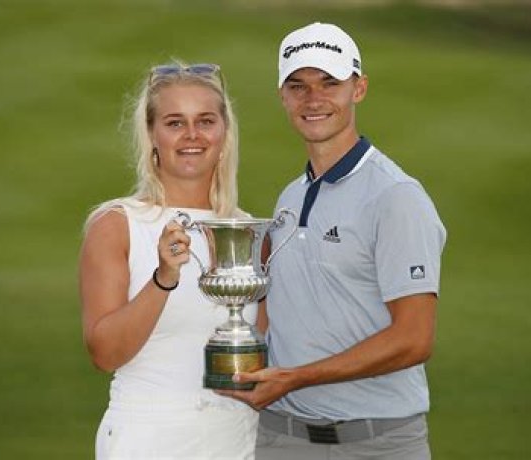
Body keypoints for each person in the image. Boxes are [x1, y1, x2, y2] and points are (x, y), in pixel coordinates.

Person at [219, 23, 447, 459]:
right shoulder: (290, 197)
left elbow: (415, 338)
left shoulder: (396, 196)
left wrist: (297, 377)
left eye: (329, 83)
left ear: (358, 89)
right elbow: (276, 309)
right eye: (298, 86)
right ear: (282, 97)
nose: (313, 99)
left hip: (377, 443)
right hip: (283, 439)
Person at [79, 62, 258, 459]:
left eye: (205, 121)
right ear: (151, 135)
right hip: (148, 439)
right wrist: (163, 279)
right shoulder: (117, 225)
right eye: (175, 123)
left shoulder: (247, 231)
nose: (192, 135)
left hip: (240, 440)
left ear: (225, 134)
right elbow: (104, 353)